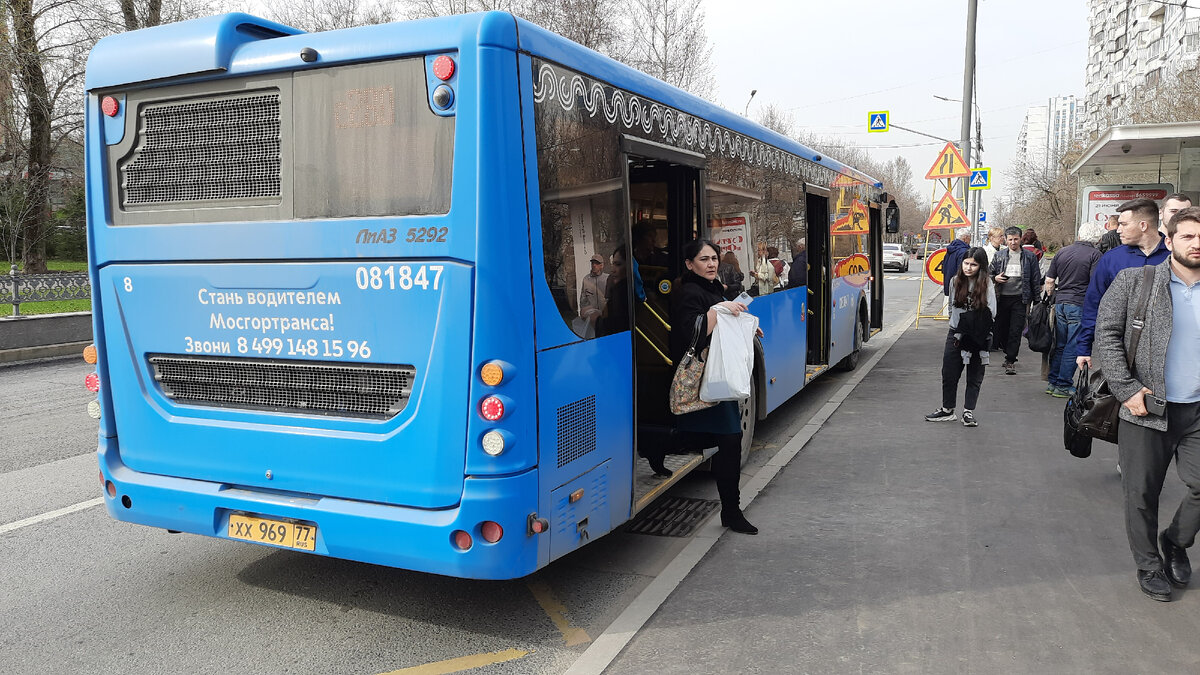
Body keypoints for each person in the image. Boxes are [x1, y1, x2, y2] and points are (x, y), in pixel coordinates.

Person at [1093, 205, 1200, 602]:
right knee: (1140, 493)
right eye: (1188, 236)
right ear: (1169, 241)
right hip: (1147, 406)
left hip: (1196, 409)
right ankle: (1149, 564)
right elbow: (1107, 334)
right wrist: (1127, 388)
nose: (1196, 244)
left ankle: (1175, 541)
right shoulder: (1135, 281)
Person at [670, 239, 762, 535]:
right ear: (689, 264)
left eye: (714, 258)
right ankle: (731, 513)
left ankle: (731, 511)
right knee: (729, 441)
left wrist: (743, 322)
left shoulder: (714, 288)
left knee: (726, 442)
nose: (711, 264)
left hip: (717, 377)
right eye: (703, 259)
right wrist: (721, 309)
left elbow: (721, 325)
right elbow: (690, 333)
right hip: (704, 378)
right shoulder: (688, 292)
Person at [1076, 198, 1170, 372]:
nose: (1118, 229)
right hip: (1120, 353)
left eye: (1124, 224)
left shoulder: (1174, 256)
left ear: (1143, 225)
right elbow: (1093, 303)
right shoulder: (1112, 259)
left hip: (1168, 352)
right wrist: (1084, 347)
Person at [926, 248, 996, 427]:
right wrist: (956, 323)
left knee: (974, 375)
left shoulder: (987, 282)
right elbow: (951, 306)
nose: (969, 268)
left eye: (973, 264)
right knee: (949, 372)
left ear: (981, 266)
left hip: (979, 335)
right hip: (956, 333)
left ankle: (968, 411)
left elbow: (992, 311)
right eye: (966, 263)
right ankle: (947, 409)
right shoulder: (955, 281)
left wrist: (974, 325)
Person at [1042, 222, 1104, 397]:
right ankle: (1063, 384)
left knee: (1060, 344)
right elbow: (1096, 283)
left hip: (1060, 302)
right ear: (1098, 239)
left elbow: (1049, 280)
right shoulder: (1095, 255)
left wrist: (1051, 297)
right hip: (1079, 303)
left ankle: (1053, 382)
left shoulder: (1062, 251)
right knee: (1073, 345)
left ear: (1079, 235)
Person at [989, 226, 1044, 375]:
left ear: (1020, 239)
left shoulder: (1029, 257)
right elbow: (988, 274)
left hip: (1020, 299)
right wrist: (995, 278)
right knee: (1002, 330)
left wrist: (1037, 301)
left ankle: (1010, 360)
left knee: (1015, 330)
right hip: (1002, 298)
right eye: (1010, 239)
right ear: (1005, 240)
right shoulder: (999, 256)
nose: (1013, 242)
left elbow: (1035, 279)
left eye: (1016, 239)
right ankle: (1008, 351)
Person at [578, 253, 609, 337]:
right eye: (592, 263)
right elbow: (583, 300)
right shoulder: (586, 279)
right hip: (591, 319)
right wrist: (584, 312)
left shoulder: (607, 279)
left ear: (602, 265)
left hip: (606, 318)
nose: (594, 265)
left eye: (597, 263)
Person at [942, 227, 972, 299]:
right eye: (969, 238)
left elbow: (944, 268)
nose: (970, 240)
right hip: (960, 288)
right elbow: (963, 271)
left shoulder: (951, 249)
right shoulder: (964, 251)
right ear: (965, 238)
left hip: (949, 285)